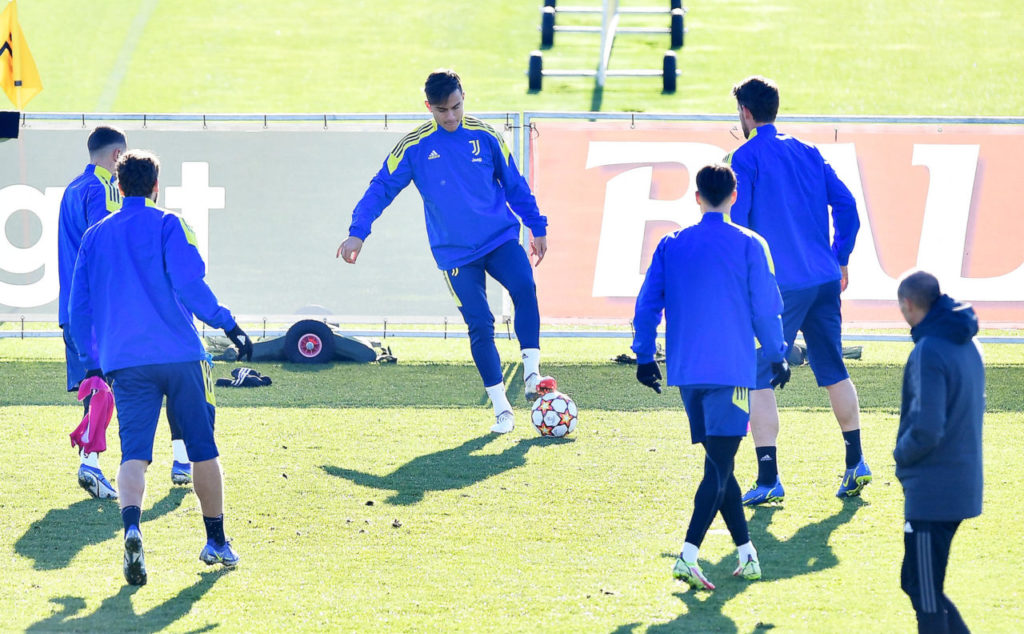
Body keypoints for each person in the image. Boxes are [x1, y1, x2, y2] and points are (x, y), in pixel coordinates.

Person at [68, 150, 253, 585]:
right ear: (156, 186)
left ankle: (132, 528)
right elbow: (191, 286)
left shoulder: (95, 236)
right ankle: (216, 542)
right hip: (181, 355)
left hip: (126, 364)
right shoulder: (169, 223)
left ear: (118, 186)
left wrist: (90, 364)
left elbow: (80, 308)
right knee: (203, 451)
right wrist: (227, 323)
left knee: (134, 456)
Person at [337, 69, 550, 434]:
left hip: (499, 238)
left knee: (525, 288)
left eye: (455, 107)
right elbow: (381, 187)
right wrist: (358, 233)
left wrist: (537, 225)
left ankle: (532, 373)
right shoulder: (415, 146)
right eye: (441, 110)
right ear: (427, 107)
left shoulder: (485, 136)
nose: (450, 117)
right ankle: (502, 409)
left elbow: (515, 183)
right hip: (456, 255)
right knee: (480, 324)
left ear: (464, 96)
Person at [631, 163, 789, 590]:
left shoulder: (671, 244)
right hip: (733, 372)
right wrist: (778, 355)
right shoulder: (751, 244)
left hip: (687, 373)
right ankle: (688, 554)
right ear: (734, 196)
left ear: (697, 197)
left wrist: (645, 356)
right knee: (719, 467)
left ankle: (747, 554)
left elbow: (647, 306)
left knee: (720, 464)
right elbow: (765, 309)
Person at [726, 76, 870, 504]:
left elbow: (740, 226)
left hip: (780, 285)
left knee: (757, 373)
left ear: (747, 114)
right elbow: (847, 207)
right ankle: (856, 463)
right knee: (833, 369)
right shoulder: (809, 151)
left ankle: (768, 478)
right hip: (824, 278)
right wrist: (840, 256)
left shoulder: (744, 156)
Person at [57, 126, 193, 498]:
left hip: (73, 307)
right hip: (103, 309)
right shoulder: (104, 190)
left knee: (95, 383)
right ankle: (170, 460)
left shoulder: (71, 188)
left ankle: (91, 462)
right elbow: (109, 244)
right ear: (118, 157)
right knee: (146, 378)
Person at [896, 270, 983, 633]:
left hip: (934, 491)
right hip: (959, 482)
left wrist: (901, 454)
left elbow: (927, 427)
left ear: (909, 305)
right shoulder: (965, 341)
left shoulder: (929, 349)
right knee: (917, 583)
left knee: (925, 593)